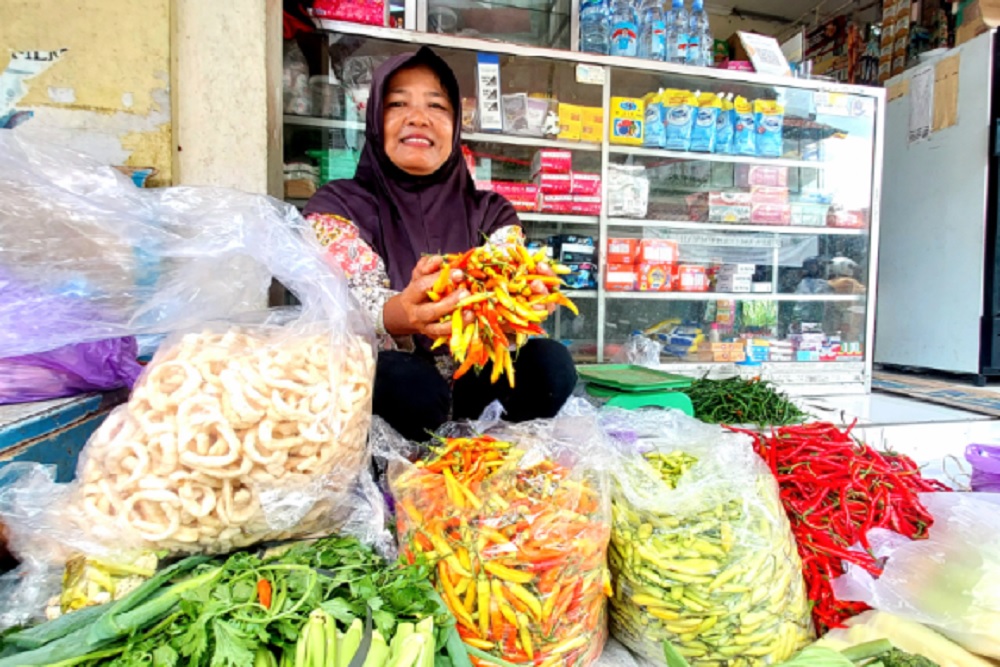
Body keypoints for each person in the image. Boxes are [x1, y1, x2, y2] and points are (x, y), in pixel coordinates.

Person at [304, 47, 577, 442]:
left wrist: (523, 304)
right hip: (394, 394)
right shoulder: (336, 206)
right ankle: (392, 467)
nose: (418, 117)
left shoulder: (491, 212)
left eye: (437, 106)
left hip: (472, 381)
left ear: (455, 126)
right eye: (398, 104)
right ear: (375, 120)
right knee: (403, 380)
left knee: (548, 364)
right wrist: (404, 312)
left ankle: (493, 452)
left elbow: (505, 284)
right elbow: (338, 308)